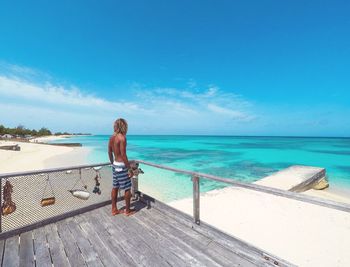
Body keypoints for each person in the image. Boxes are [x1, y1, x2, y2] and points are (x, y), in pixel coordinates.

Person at [108, 118, 135, 216]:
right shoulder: (122, 138)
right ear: (123, 126)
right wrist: (129, 169)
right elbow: (123, 155)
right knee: (127, 188)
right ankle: (127, 211)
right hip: (122, 166)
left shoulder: (112, 138)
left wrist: (112, 164)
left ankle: (114, 209)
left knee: (115, 187)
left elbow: (109, 152)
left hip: (115, 165)